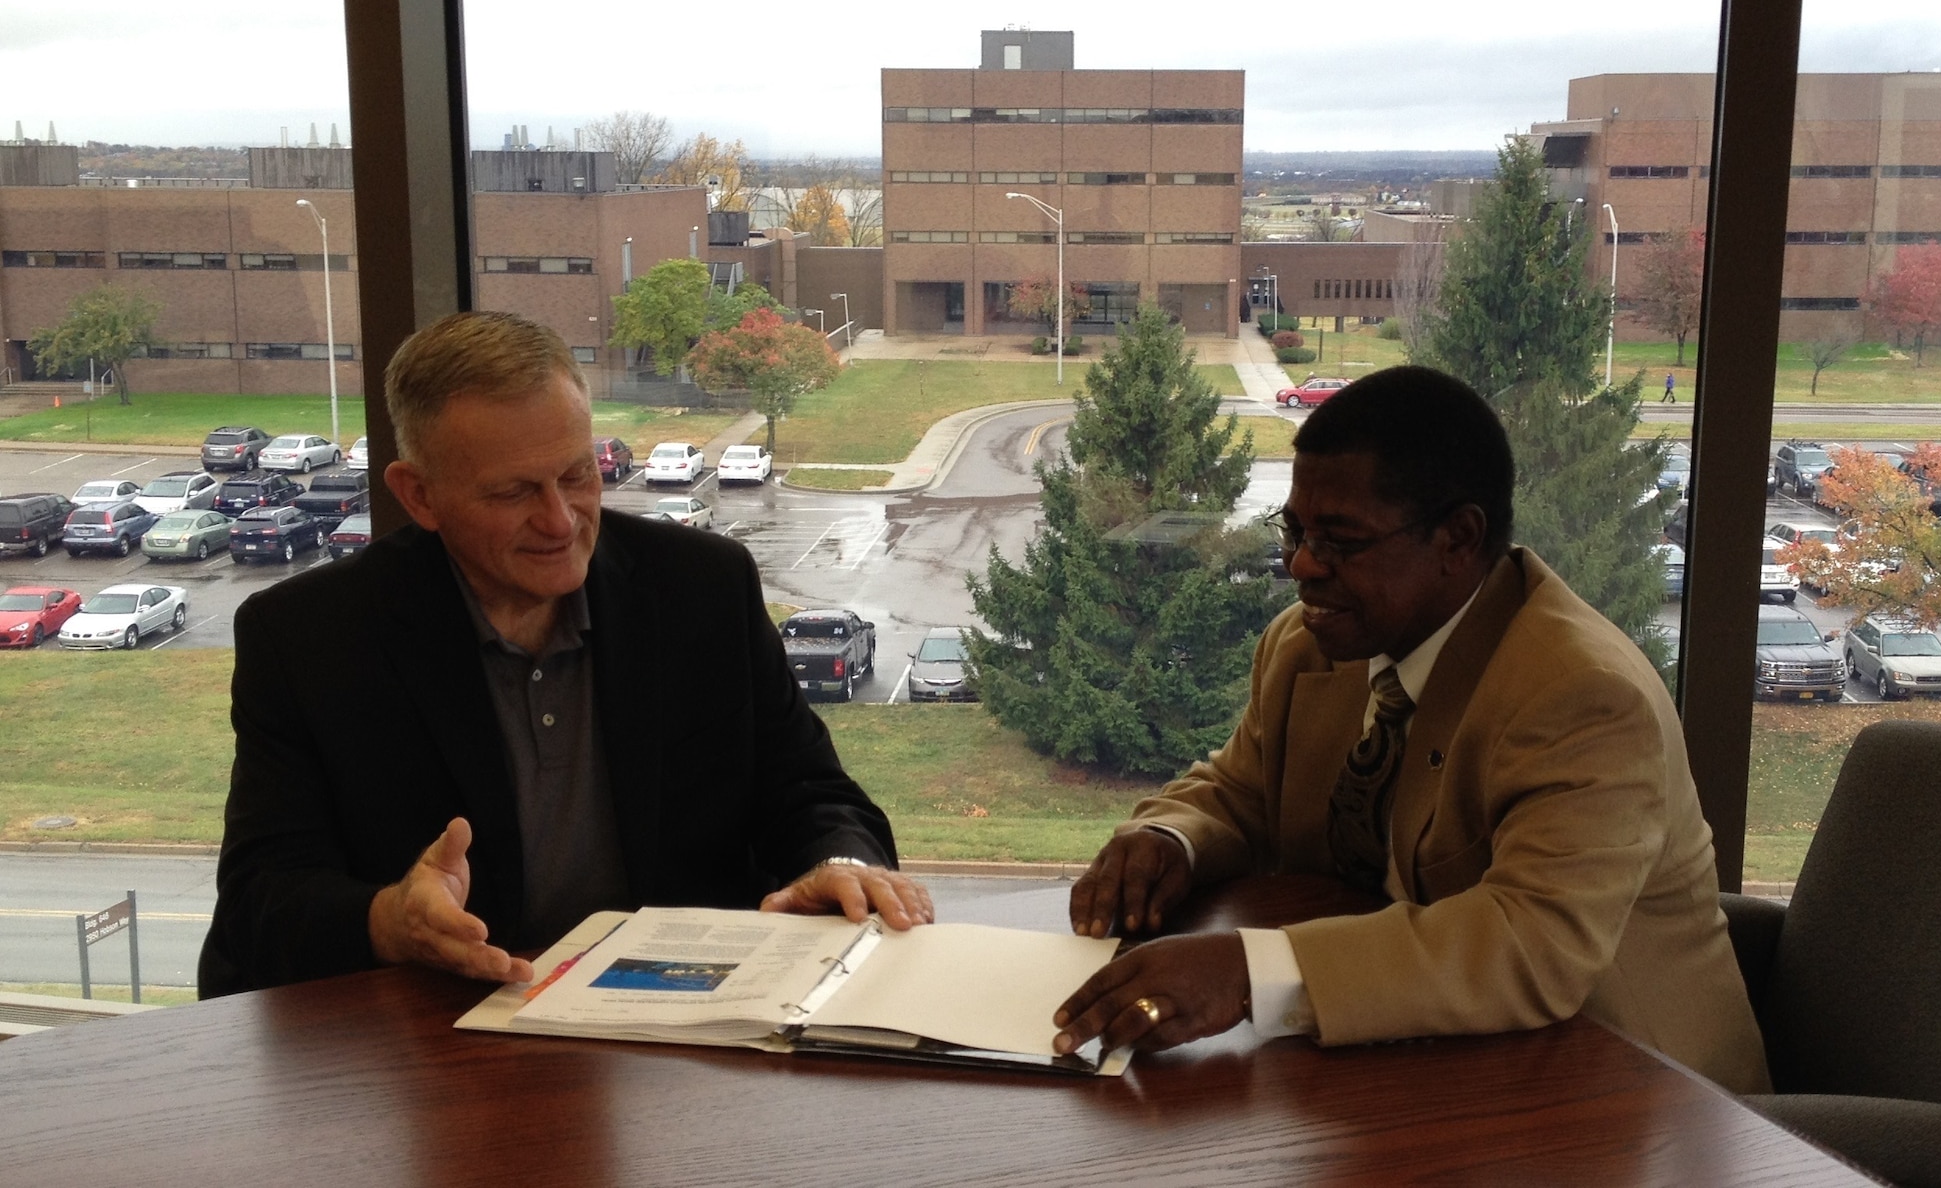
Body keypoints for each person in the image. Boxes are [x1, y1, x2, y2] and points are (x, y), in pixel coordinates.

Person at [1052, 365, 1767, 1093]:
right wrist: (1168, 839)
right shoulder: (1306, 647)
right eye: (1295, 530)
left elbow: (1531, 944)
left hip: (1636, 1100)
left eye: (1340, 541)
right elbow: (1239, 794)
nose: (1301, 564)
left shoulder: (1585, 697)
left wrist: (1248, 971)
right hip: (1420, 1067)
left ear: (1458, 538)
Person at [199, 311, 929, 997]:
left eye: (578, 476)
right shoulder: (308, 637)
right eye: (514, 492)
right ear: (418, 495)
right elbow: (262, 903)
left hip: (677, 1045)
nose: (560, 520)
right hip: (438, 1055)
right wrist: (391, 921)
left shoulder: (702, 588)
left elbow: (810, 794)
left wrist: (842, 862)